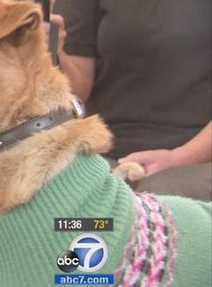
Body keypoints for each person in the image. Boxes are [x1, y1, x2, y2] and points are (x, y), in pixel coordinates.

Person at [49, 0, 211, 200]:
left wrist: (179, 158)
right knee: (66, 213)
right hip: (103, 151)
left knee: (155, 200)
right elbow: (77, 92)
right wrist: (52, 53)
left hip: (195, 157)